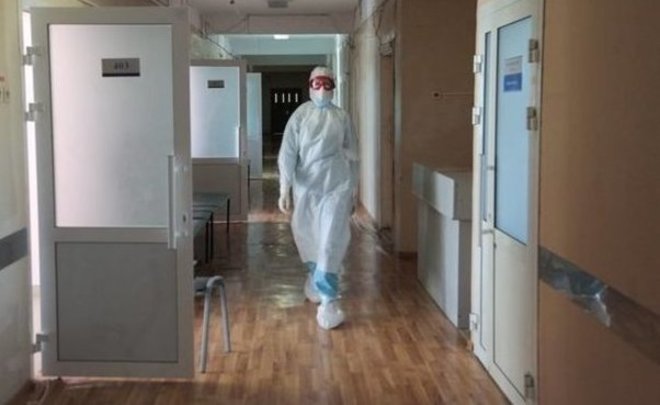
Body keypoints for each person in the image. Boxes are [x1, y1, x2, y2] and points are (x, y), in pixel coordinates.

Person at [277, 66, 359, 330]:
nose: (322, 89)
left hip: (336, 185)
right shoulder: (301, 115)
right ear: (310, 85)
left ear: (334, 86)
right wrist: (284, 187)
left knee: (330, 241)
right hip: (307, 187)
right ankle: (315, 278)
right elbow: (288, 152)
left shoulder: (341, 117)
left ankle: (328, 300)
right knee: (308, 237)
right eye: (317, 84)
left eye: (327, 84)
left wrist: (354, 190)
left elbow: (353, 155)